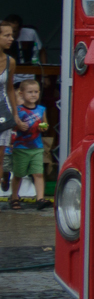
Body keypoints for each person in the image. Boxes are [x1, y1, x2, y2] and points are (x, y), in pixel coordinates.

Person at [7, 74, 46, 210]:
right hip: (21, 147)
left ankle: (40, 198)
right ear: (21, 93)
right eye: (30, 92)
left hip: (37, 147)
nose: (33, 95)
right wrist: (18, 125)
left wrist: (44, 127)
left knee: (38, 173)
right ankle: (14, 197)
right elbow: (12, 127)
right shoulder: (17, 110)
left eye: (36, 92)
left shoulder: (41, 109)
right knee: (18, 174)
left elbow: (44, 123)